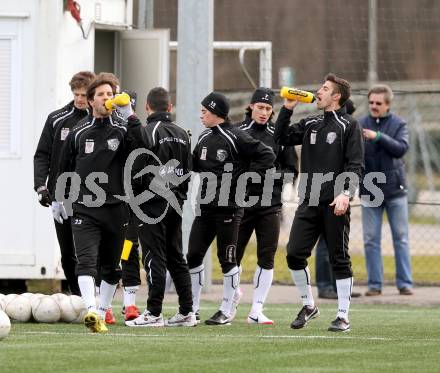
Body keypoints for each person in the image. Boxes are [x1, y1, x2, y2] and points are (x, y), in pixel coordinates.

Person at [274, 73, 364, 332]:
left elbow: (355, 164)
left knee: (339, 259)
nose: (318, 92)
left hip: (335, 202)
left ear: (336, 96)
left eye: (324, 89)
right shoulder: (311, 122)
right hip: (309, 201)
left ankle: (343, 316)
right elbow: (280, 138)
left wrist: (345, 193)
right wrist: (287, 110)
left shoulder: (349, 125)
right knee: (294, 254)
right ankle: (309, 305)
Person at [57, 76, 139, 333]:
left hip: (117, 207)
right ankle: (91, 309)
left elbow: (144, 144)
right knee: (86, 261)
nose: (106, 98)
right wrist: (58, 198)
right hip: (84, 207)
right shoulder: (78, 132)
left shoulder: (123, 129)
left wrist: (131, 115)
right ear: (90, 100)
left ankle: (101, 313)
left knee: (112, 267)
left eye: (110, 93)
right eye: (101, 94)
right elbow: (64, 166)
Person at [187, 92, 276, 325]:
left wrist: (246, 179)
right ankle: (192, 309)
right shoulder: (205, 137)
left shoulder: (236, 136)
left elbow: (267, 155)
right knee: (194, 255)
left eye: (205, 111)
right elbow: (195, 164)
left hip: (229, 208)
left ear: (216, 113)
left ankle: (226, 309)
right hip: (205, 207)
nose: (201, 115)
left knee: (227, 259)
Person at [125, 87, 196, 327]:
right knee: (176, 255)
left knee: (154, 255)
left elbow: (138, 165)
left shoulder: (150, 130)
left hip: (152, 202)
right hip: (176, 201)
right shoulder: (183, 133)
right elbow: (187, 170)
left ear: (147, 107)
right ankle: (187, 311)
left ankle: (154, 312)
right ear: (170, 107)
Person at [232, 87, 298, 324]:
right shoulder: (237, 132)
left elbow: (291, 171)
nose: (264, 112)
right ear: (250, 107)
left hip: (270, 203)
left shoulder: (279, 135)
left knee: (266, 255)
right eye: (260, 107)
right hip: (240, 202)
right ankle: (231, 298)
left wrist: (271, 175)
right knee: (232, 255)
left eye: (269, 109)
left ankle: (256, 309)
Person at [34, 71, 96, 296]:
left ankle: (95, 299)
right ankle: (80, 299)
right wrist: (41, 186)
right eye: (76, 94)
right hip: (62, 196)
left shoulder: (101, 120)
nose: (80, 99)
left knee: (90, 252)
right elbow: (42, 155)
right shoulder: (57, 118)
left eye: (84, 94)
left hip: (92, 195)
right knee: (68, 253)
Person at [360, 84, 413, 296]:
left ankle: (404, 283)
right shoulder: (361, 123)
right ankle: (374, 285)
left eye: (378, 103)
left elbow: (401, 149)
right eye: (371, 102)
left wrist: (378, 137)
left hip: (395, 190)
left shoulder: (399, 124)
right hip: (370, 190)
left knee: (400, 238)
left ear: (388, 105)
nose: (373, 106)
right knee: (371, 239)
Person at [315, 98, 361, 300]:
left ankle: (336, 285)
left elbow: (354, 163)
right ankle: (325, 285)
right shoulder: (333, 131)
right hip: (327, 192)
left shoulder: (348, 131)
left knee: (337, 244)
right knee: (325, 243)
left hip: (341, 191)